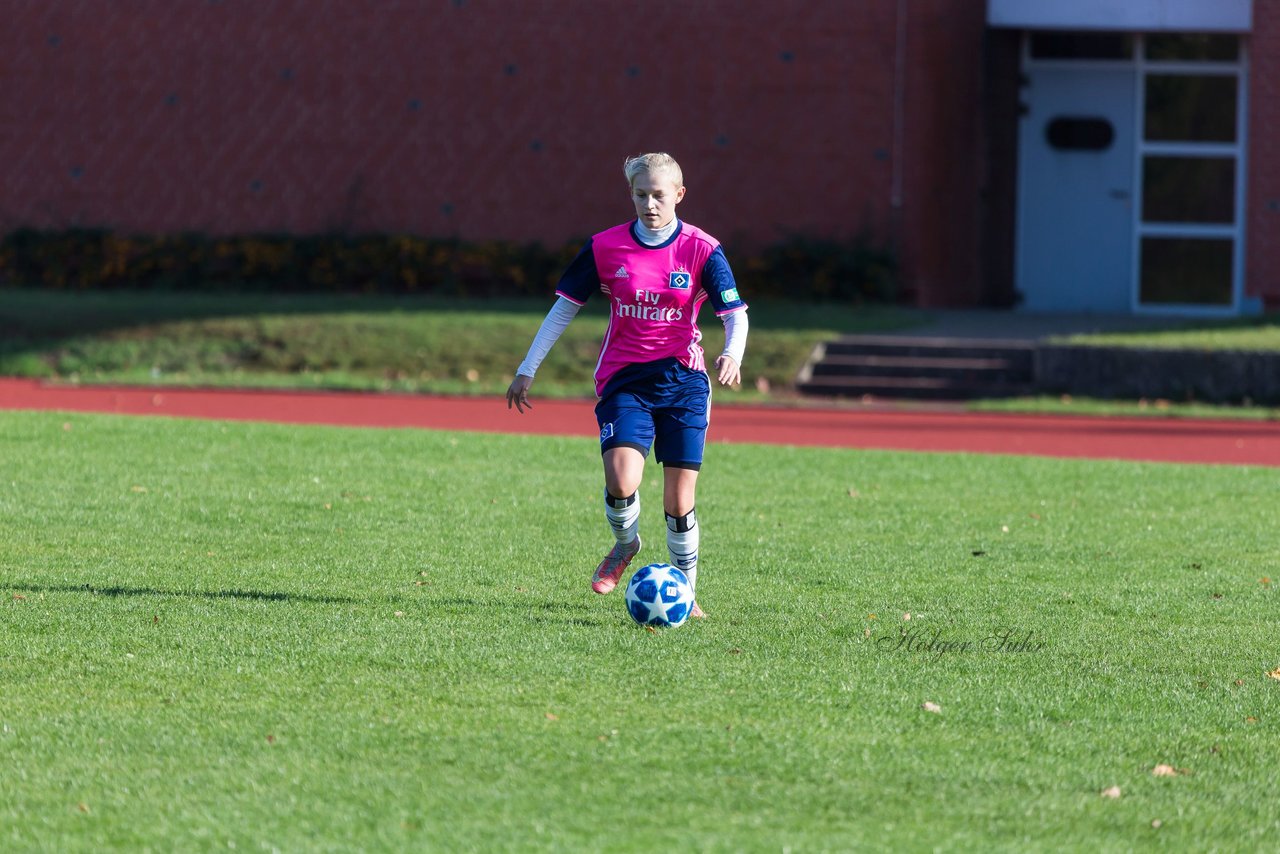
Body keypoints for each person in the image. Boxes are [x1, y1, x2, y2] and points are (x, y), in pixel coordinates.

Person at [506, 152, 748, 618]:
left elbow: (734, 314)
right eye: (641, 195)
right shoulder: (604, 247)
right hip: (625, 381)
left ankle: (687, 594)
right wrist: (528, 366)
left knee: (679, 500)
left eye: (659, 195)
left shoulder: (702, 249)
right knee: (621, 481)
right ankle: (625, 544)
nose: (650, 204)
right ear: (631, 195)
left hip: (684, 382)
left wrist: (732, 354)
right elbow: (564, 308)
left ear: (679, 194)